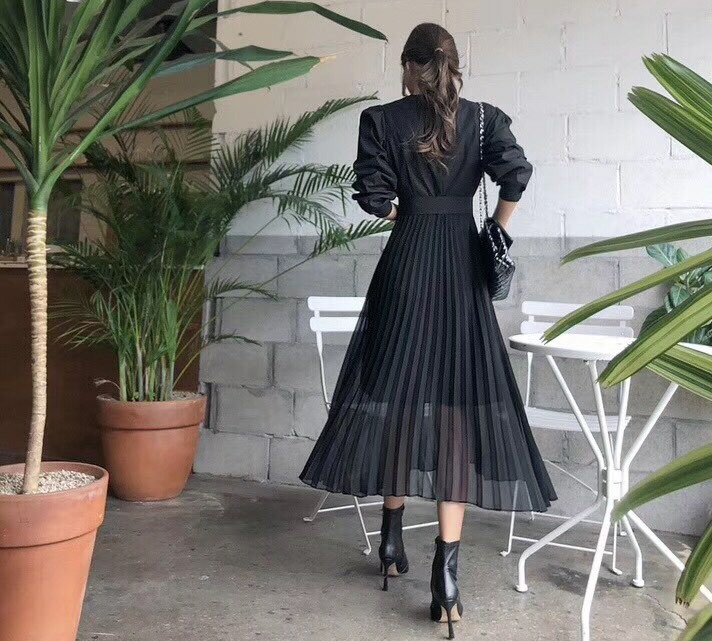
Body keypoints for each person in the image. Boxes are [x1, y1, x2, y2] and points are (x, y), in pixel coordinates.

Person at [300, 22, 556, 639]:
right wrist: (495, 229)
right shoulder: (483, 120)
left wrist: (410, 207)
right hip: (463, 269)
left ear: (409, 68)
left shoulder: (381, 120)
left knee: (395, 396)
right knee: (456, 408)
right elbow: (517, 174)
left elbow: (375, 199)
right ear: (453, 65)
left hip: (407, 264)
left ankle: (390, 540)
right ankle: (447, 575)